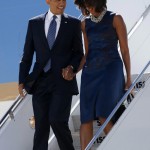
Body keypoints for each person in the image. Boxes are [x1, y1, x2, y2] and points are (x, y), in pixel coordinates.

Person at [18, 0, 83, 150]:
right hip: (40, 81)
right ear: (48, 1)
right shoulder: (34, 23)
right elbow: (27, 54)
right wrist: (22, 79)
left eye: (64, 0)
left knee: (57, 120)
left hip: (62, 81)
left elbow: (79, 53)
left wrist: (71, 67)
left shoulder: (73, 24)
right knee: (41, 126)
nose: (62, 3)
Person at [74, 0, 132, 149]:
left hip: (111, 70)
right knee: (86, 118)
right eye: (85, 5)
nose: (88, 8)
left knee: (103, 113)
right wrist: (75, 71)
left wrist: (129, 78)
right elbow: (87, 53)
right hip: (90, 73)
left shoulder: (116, 19)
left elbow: (125, 50)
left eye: (90, 4)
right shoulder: (84, 24)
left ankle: (118, 146)